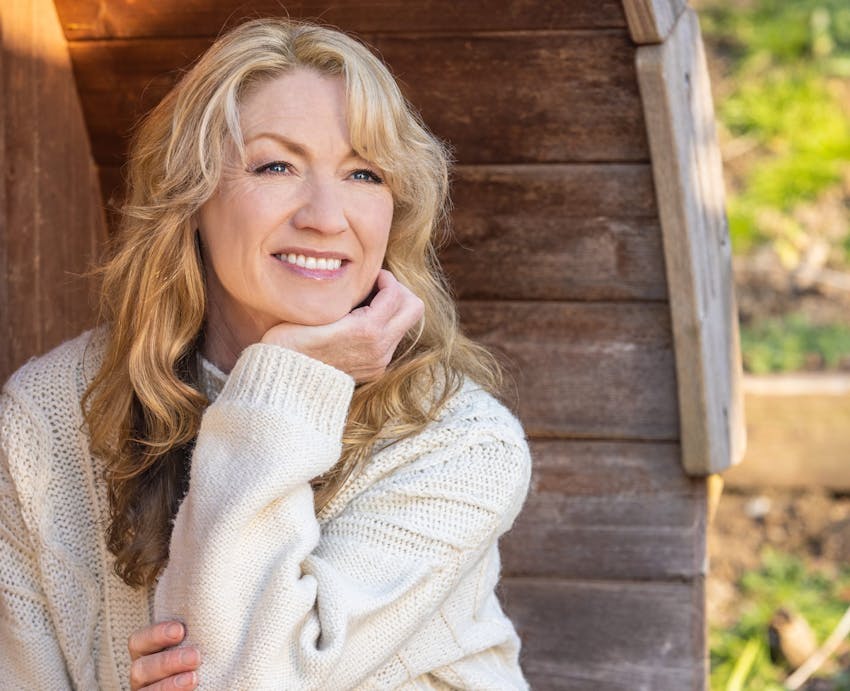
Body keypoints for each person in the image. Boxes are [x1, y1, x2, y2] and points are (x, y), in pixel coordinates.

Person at [0, 18, 532, 690]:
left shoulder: (461, 443)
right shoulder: (46, 421)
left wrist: (288, 380)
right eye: (276, 165)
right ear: (191, 195)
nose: (325, 215)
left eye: (364, 173)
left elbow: (233, 677)